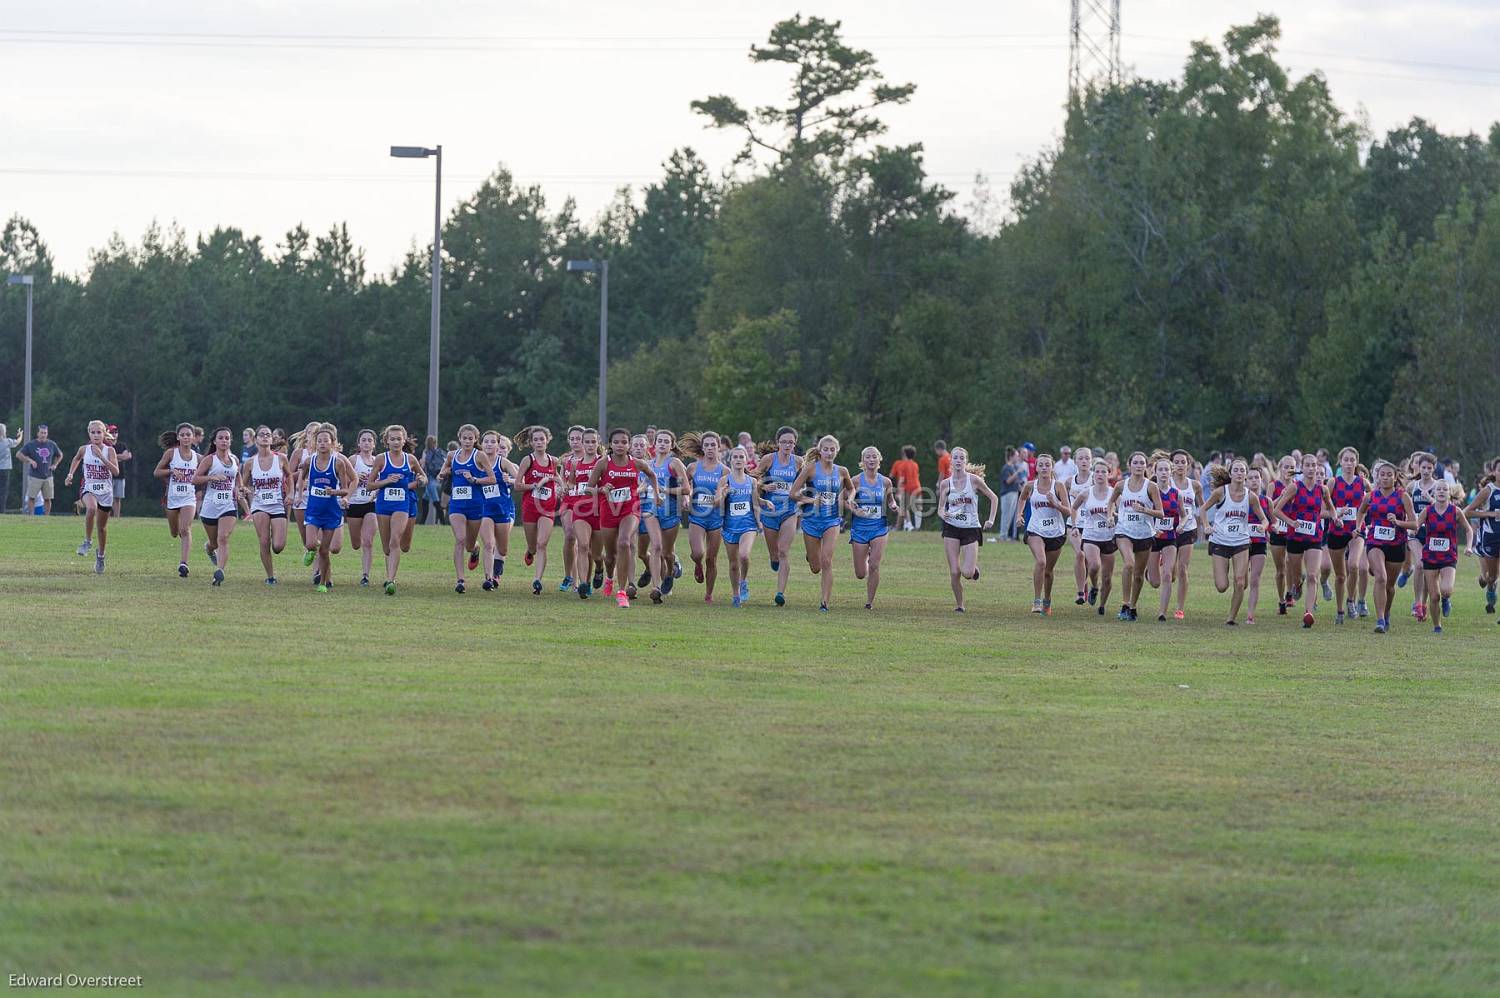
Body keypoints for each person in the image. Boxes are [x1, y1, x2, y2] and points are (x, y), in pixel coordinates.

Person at [587, 427, 660, 608]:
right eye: (616, 442)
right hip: (609, 512)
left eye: (624, 442)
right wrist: (601, 489)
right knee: (610, 556)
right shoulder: (603, 463)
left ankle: (622, 592)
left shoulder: (637, 463)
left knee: (625, 542)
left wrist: (657, 495)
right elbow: (588, 488)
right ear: (610, 444)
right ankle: (609, 577)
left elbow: (652, 475)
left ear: (628, 445)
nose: (620, 445)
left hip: (631, 509)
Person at [790, 434, 853, 612]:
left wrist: (851, 497)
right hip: (811, 521)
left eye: (832, 449)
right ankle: (811, 556)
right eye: (826, 449)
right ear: (820, 451)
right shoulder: (810, 469)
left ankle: (824, 602)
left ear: (837, 451)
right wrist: (811, 501)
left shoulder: (842, 471)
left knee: (827, 560)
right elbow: (793, 493)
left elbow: (851, 488)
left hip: (832, 521)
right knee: (816, 567)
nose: (829, 452)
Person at [1272, 451, 1334, 628]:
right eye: (1307, 465)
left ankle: (1308, 613)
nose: (1311, 468)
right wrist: (1292, 522)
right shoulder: (1294, 487)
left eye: (1314, 465)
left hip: (1314, 537)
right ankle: (1297, 585)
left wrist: (1335, 517)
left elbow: (1330, 508)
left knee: (1313, 576)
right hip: (1295, 537)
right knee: (1298, 576)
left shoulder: (1322, 489)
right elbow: (1276, 510)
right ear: (1302, 468)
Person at [1201, 459, 1267, 625]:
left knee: (1240, 582)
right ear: (1230, 474)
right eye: (1236, 470)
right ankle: (1225, 567)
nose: (1239, 473)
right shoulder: (1220, 492)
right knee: (1222, 586)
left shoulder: (1251, 496)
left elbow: (1264, 519)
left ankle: (1231, 618)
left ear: (1245, 475)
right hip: (1220, 541)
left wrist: (1263, 527)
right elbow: (1202, 509)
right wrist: (1207, 526)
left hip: (1241, 542)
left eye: (1242, 470)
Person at [1356, 460, 1416, 634]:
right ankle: (1380, 619)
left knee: (1389, 586)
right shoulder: (1371, 496)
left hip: (1397, 544)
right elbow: (1361, 512)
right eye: (1382, 474)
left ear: (1395, 477)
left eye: (1389, 475)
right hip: (1375, 541)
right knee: (1380, 577)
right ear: (1377, 476)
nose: (1385, 478)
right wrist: (1358, 526)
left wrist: (1397, 522)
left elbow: (1414, 524)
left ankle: (1387, 612)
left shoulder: (1403, 496)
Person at [366, 424, 427, 596]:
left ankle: (391, 580)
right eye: (392, 439)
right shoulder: (380, 459)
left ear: (404, 440)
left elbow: (424, 478)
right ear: (386, 441)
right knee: (387, 547)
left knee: (396, 541)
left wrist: (421, 480)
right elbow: (370, 486)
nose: (396, 442)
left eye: (399, 439)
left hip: (402, 504)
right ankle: (390, 575)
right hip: (384, 505)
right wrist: (386, 481)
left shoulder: (411, 459)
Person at [438, 423, 496, 594]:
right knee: (460, 539)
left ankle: (476, 549)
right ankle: (460, 580)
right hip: (456, 505)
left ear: (475, 439)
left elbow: (492, 479)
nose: (467, 441)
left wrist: (475, 480)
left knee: (469, 545)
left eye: (471, 438)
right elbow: (443, 471)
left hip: (476, 504)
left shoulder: (480, 456)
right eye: (465, 438)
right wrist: (443, 474)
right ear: (460, 439)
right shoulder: (451, 455)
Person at [936, 446, 997, 612]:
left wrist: (990, 520)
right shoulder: (945, 484)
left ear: (966, 461)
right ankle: (960, 605)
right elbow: (940, 508)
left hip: (971, 528)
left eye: (961, 458)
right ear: (951, 461)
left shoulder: (974, 480)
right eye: (955, 458)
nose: (958, 461)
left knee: (967, 573)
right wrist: (944, 515)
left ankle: (973, 569)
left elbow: (994, 498)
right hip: (951, 528)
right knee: (955, 571)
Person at [1108, 451, 1165, 622]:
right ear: (1129, 465)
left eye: (1142, 463)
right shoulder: (1120, 485)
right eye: (1136, 463)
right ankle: (1125, 604)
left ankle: (1133, 606)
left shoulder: (1151, 487)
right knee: (1129, 564)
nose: (1139, 466)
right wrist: (1110, 515)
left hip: (1145, 534)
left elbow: (1160, 513)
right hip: (1124, 531)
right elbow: (1110, 501)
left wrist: (1144, 510)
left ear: (1146, 466)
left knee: (1139, 574)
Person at [300, 424, 356, 593]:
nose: (323, 443)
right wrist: (297, 493)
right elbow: (300, 479)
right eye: (319, 441)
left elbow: (346, 488)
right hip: (313, 510)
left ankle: (323, 582)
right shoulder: (309, 461)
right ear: (315, 443)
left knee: (326, 550)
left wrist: (337, 493)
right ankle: (311, 550)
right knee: (310, 543)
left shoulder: (338, 463)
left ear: (333, 443)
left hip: (331, 512)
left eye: (326, 441)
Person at [61, 420, 118, 573]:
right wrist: (70, 474)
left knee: (102, 528)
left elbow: (116, 472)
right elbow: (76, 458)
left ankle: (100, 555)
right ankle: (87, 541)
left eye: (99, 432)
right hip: (89, 488)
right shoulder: (84, 449)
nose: (96, 435)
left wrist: (101, 457)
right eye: (93, 432)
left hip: (106, 493)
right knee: (91, 508)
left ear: (104, 433)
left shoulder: (109, 450)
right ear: (89, 434)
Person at [755, 426, 803, 605]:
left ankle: (780, 593)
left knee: (783, 551)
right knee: (775, 554)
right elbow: (754, 480)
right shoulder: (769, 460)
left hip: (789, 511)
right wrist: (764, 486)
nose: (787, 445)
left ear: (795, 444)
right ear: (778, 443)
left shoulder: (798, 462)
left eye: (791, 442)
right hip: (769, 511)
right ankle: (772, 558)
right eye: (784, 442)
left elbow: (806, 479)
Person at [1417, 480, 1472, 634]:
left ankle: (1447, 599)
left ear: (1449, 493)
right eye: (1438, 489)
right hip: (1430, 556)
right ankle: (1437, 626)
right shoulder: (1427, 511)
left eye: (1445, 489)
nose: (1441, 492)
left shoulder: (1456, 511)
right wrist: (1410, 532)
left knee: (1446, 590)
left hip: (1449, 556)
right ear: (1434, 492)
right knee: (1434, 597)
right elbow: (1416, 525)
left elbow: (1468, 530)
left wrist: (1468, 546)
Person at [190, 427, 243, 586]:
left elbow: (237, 476)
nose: (224, 441)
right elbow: (195, 479)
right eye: (221, 438)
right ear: (214, 441)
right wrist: (212, 477)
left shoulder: (234, 459)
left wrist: (240, 488)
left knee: (223, 537)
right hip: (210, 506)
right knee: (214, 543)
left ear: (230, 441)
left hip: (228, 505)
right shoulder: (209, 460)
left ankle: (219, 571)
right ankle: (208, 548)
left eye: (227, 438)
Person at [847, 446, 898, 610]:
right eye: (868, 457)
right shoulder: (855, 480)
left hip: (879, 527)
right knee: (861, 573)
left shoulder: (885, 481)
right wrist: (854, 508)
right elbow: (844, 500)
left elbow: (890, 499)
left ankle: (869, 602)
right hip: (860, 529)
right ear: (862, 461)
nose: (871, 460)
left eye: (874, 457)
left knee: (875, 565)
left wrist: (893, 505)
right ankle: (866, 559)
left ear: (879, 459)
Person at [714, 445, 764, 608]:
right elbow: (717, 505)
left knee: (744, 555)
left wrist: (759, 523)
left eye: (741, 457)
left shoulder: (752, 481)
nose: (738, 460)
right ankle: (735, 594)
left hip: (748, 526)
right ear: (730, 460)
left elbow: (755, 504)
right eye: (735, 457)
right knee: (734, 563)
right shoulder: (724, 481)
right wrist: (723, 495)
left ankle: (743, 581)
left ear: (746, 460)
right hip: (729, 527)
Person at [516, 426, 563, 596]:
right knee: (534, 546)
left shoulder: (553, 461)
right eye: (535, 440)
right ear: (531, 443)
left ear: (548, 440)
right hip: (530, 507)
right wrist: (533, 485)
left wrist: (561, 486)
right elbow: (517, 485)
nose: (539, 442)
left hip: (547, 508)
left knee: (542, 544)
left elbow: (557, 477)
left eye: (542, 439)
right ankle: (530, 551)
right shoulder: (527, 460)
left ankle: (537, 580)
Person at [1325, 447, 1368, 624]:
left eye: (1352, 460)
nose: (1349, 463)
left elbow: (1369, 505)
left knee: (1354, 565)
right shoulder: (1332, 482)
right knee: (1341, 576)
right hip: (1336, 531)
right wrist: (1335, 515)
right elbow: (1321, 510)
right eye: (1346, 460)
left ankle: (1351, 601)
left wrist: (1359, 524)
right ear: (1340, 462)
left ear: (1356, 462)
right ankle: (1340, 610)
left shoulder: (1363, 483)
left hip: (1356, 531)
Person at [685, 431, 729, 603]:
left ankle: (709, 594)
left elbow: (728, 494)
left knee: (711, 559)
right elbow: (684, 484)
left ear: (719, 448)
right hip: (697, 516)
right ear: (702, 448)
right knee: (698, 553)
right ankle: (697, 564)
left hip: (716, 519)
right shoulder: (693, 467)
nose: (710, 448)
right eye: (707, 445)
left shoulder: (725, 471)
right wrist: (686, 497)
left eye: (713, 445)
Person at [152, 422, 199, 576]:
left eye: (188, 435)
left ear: (193, 437)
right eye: (183, 435)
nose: (186, 437)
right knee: (175, 532)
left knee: (185, 530)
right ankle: (177, 533)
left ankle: (183, 564)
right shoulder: (171, 454)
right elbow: (157, 472)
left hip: (189, 498)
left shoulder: (198, 457)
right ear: (178, 437)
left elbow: (212, 467)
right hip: (172, 498)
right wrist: (172, 471)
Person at [1075, 459, 1116, 614]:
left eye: (1103, 471)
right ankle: (1093, 586)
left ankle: (1102, 605)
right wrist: (1073, 525)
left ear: (1109, 474)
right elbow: (1074, 508)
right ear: (1094, 474)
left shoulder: (1114, 492)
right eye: (1097, 471)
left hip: (1109, 536)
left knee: (1107, 577)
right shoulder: (1087, 493)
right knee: (1094, 565)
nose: (1100, 474)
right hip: (1091, 534)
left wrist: (1114, 517)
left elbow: (1122, 512)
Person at [480, 430, 519, 590]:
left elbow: (520, 481)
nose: (491, 446)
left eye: (495, 443)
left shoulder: (505, 464)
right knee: (489, 544)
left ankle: (497, 571)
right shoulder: (477, 461)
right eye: (486, 442)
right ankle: (489, 578)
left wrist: (508, 479)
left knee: (502, 548)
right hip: (484, 509)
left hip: (504, 509)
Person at [1462, 464, 1500, 615]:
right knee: (1491, 576)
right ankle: (1488, 583)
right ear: (1494, 472)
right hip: (1490, 538)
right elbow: (1467, 512)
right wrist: (1490, 514)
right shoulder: (1488, 490)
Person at [345, 429, 380, 587]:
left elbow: (382, 481)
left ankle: (365, 575)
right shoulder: (353, 460)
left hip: (372, 504)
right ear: (359, 443)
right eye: (364, 440)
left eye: (369, 440)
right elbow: (344, 482)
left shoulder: (378, 460)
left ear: (374, 444)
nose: (366, 443)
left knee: (368, 542)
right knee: (356, 544)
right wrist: (356, 482)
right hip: (354, 504)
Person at [1064, 446, 1094, 605]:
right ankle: (1080, 591)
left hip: (1092, 526)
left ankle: (1087, 584)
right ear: (1075, 461)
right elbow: (1064, 502)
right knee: (1080, 555)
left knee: (1089, 560)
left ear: (1091, 461)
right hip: (1073, 524)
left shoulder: (1097, 478)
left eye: (1087, 458)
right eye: (1081, 458)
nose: (1084, 461)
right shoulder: (1069, 481)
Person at [19, 424, 63, 515]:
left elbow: (60, 455)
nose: (43, 435)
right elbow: (19, 454)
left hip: (48, 476)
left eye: (45, 433)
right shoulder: (31, 444)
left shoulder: (51, 444)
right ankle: (31, 515)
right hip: (34, 476)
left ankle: (46, 517)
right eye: (41, 433)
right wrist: (30, 460)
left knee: (48, 498)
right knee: (31, 497)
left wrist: (55, 465)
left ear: (47, 434)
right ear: (38, 433)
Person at [890, 445, 922, 531]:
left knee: (903, 508)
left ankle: (897, 527)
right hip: (918, 487)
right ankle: (918, 527)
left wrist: (898, 491)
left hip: (908, 488)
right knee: (918, 508)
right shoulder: (915, 464)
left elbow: (902, 479)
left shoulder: (903, 464)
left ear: (904, 454)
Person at [104, 424, 131, 519]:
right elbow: (106, 457)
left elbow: (128, 456)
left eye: (116, 432)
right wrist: (119, 457)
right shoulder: (106, 446)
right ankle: (106, 516)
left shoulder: (122, 445)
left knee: (117, 498)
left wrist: (114, 456)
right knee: (107, 497)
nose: (114, 434)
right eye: (112, 432)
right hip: (108, 476)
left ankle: (117, 518)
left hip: (120, 475)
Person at [997, 449, 1024, 542]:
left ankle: (1007, 536)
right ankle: (1002, 536)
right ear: (1011, 457)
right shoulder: (1007, 468)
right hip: (1007, 494)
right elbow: (1008, 481)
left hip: (1014, 493)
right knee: (1006, 515)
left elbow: (1017, 483)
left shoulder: (1013, 467)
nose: (1018, 457)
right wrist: (1017, 472)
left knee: (1011, 516)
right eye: (1016, 455)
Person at [420, 435, 445, 525]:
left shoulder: (426, 452)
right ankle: (422, 522)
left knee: (435, 500)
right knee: (425, 498)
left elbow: (422, 465)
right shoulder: (440, 452)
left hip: (429, 478)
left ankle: (442, 521)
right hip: (438, 479)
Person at [0, 422, 20, 514]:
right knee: (3, 491)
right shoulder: (7, 441)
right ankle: (1, 510)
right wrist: (20, 435)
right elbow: (17, 442)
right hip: (4, 469)